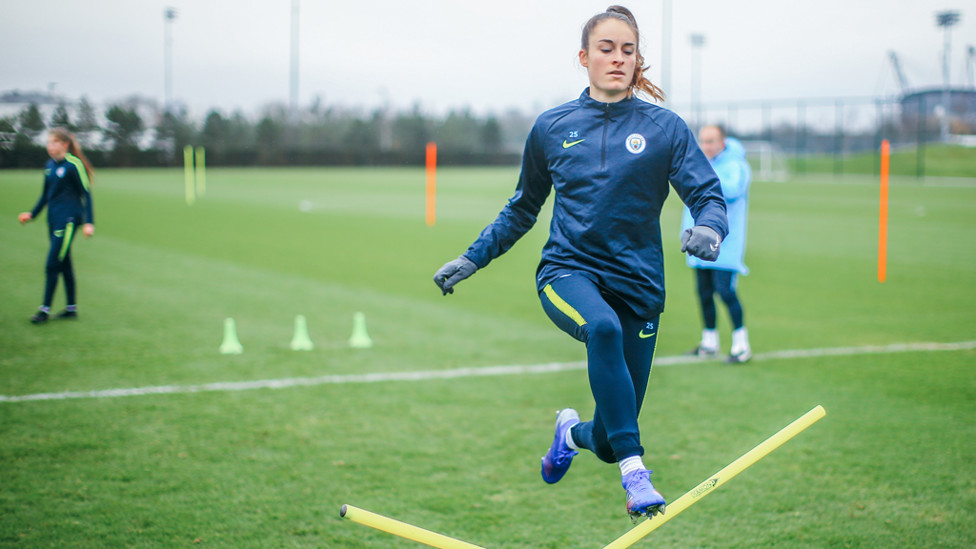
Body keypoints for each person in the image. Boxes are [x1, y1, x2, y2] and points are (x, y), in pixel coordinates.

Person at [433, 6, 728, 519]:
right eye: (606, 49)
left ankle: (571, 435)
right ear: (584, 57)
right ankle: (635, 473)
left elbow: (708, 195)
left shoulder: (665, 128)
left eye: (628, 50)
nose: (617, 59)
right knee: (602, 328)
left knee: (610, 435)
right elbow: (523, 207)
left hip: (639, 286)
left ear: (638, 60)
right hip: (567, 273)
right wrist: (472, 258)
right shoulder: (552, 127)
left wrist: (709, 228)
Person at [681, 125, 752, 363]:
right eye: (703, 141)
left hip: (726, 244)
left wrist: (705, 174)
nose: (706, 146)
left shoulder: (736, 165)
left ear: (723, 142)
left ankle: (741, 345)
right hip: (699, 241)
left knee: (725, 291)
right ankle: (709, 342)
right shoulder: (700, 163)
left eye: (711, 141)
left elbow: (731, 191)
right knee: (703, 293)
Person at [18, 127, 96, 324]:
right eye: (48, 143)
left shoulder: (73, 165)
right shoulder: (49, 166)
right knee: (64, 263)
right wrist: (32, 214)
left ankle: (44, 311)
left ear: (65, 144)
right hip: (53, 220)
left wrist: (89, 222)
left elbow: (86, 193)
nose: (50, 147)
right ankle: (71, 309)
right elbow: (46, 195)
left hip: (69, 221)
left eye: (54, 143)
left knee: (53, 263)